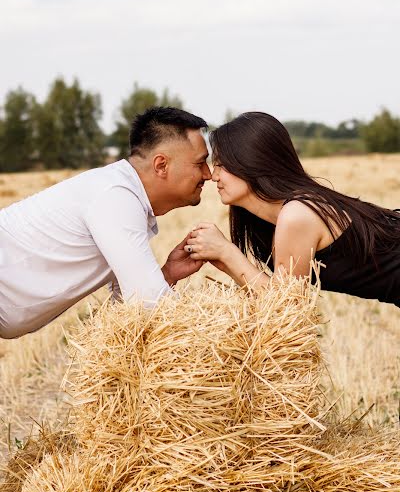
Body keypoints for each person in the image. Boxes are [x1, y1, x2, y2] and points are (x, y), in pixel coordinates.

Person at [0, 107, 211, 339]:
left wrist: (168, 274)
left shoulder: (121, 194)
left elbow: (128, 310)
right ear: (161, 165)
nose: (208, 174)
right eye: (200, 163)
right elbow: (150, 300)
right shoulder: (115, 195)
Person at [185, 111, 400, 307]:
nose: (214, 176)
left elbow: (287, 307)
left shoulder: (297, 215)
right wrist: (223, 259)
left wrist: (226, 252)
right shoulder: (279, 215)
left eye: (221, 164)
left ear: (250, 162)